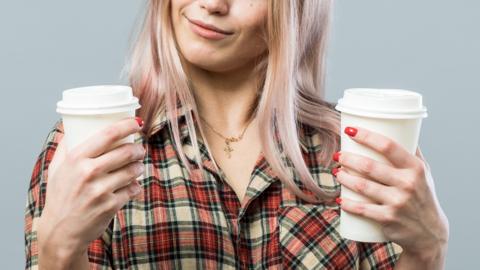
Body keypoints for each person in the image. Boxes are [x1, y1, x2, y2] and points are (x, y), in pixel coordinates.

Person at [24, 0, 449, 269]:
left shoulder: (352, 150)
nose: (211, 4)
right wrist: (59, 253)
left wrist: (427, 252)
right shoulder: (91, 149)